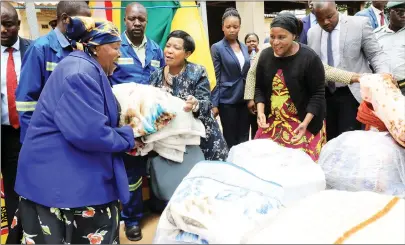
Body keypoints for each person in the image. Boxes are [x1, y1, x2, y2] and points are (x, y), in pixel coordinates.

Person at [11, 17, 138, 244]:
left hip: (64, 176)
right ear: (97, 48)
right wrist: (129, 136)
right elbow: (89, 133)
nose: (119, 54)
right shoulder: (80, 73)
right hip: (62, 185)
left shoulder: (83, 66)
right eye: (116, 48)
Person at [108, 2, 165, 241]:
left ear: (146, 21)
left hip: (153, 122)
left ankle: (156, 205)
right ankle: (131, 220)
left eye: (141, 19)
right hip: (126, 123)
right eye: (133, 19)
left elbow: (162, 82)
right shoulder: (114, 48)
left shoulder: (155, 49)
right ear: (125, 20)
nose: (137, 23)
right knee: (131, 174)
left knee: (155, 167)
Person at [308, 1, 390, 140]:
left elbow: (375, 54)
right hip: (325, 95)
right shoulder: (312, 32)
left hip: (352, 93)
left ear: (336, 8)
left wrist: (384, 75)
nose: (326, 22)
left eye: (330, 16)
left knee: (351, 141)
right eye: (320, 19)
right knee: (329, 140)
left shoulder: (359, 24)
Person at [254, 13, 326, 162]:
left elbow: (317, 95)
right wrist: (261, 112)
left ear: (294, 35)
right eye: (272, 37)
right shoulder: (265, 56)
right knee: (264, 163)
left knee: (299, 167)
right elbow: (260, 88)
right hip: (273, 122)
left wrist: (305, 124)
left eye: (281, 37)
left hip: (302, 122)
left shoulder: (309, 58)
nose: (275, 42)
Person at [15, 1, 91, 143]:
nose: (87, 27)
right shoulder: (40, 49)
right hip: (45, 136)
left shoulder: (79, 48)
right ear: (64, 19)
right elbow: (26, 102)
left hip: (71, 134)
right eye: (83, 22)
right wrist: (34, 140)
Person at [149, 30, 228, 161]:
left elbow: (206, 103)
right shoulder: (155, 76)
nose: (169, 51)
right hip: (170, 141)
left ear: (187, 53)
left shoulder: (197, 72)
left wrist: (196, 104)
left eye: (176, 48)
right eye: (168, 46)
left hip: (201, 138)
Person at [0, 2, 31, 239]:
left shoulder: (34, 51)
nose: (2, 29)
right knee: (10, 186)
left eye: (8, 24)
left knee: (32, 181)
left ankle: (33, 231)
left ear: (18, 25)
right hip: (4, 133)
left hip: (30, 132)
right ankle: (14, 234)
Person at [211, 8, 250, 149]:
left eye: (235, 27)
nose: (232, 30)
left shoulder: (245, 48)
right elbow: (216, 75)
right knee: (230, 138)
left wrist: (251, 97)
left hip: (244, 99)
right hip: (227, 100)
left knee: (244, 136)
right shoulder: (217, 48)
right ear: (222, 27)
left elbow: (247, 73)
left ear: (239, 27)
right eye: (228, 27)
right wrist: (214, 104)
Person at [374, 1, 405, 95]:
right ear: (388, 12)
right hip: (383, 88)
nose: (404, 15)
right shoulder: (376, 34)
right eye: (400, 11)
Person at [244, 33, 259, 139]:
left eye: (254, 41)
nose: (251, 43)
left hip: (256, 96)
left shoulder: (262, 55)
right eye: (249, 41)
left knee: (256, 127)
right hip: (242, 96)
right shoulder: (241, 56)